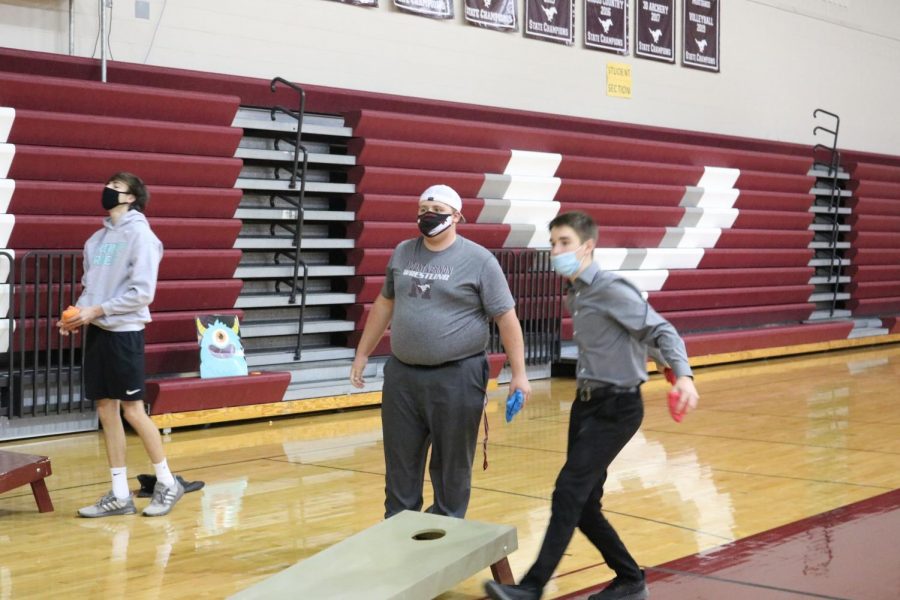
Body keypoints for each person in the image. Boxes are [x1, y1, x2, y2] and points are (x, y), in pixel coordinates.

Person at [485, 210, 699, 600]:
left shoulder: (610, 287)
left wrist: (681, 373)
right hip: (585, 406)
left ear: (587, 246)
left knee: (567, 490)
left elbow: (658, 329)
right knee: (583, 504)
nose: (556, 251)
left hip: (617, 408)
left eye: (564, 242)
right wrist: (663, 363)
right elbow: (633, 336)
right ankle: (630, 580)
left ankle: (531, 588)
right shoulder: (576, 292)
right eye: (552, 244)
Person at [350, 184, 532, 519]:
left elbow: (506, 318)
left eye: (436, 211)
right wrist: (363, 353)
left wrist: (519, 374)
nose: (427, 216)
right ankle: (399, 536)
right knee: (400, 465)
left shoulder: (480, 261)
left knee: (451, 468)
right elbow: (384, 303)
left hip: (457, 376)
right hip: (403, 375)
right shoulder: (403, 252)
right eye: (422, 210)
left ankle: (445, 533)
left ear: (457, 216)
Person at [58, 172, 184, 518]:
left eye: (117, 188)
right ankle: (118, 494)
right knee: (105, 409)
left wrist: (97, 310)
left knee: (132, 409)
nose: (109, 191)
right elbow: (90, 287)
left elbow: (142, 292)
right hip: (97, 330)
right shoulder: (96, 240)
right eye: (109, 186)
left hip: (124, 331)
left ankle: (167, 482)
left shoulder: (142, 236)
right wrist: (74, 317)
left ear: (131, 198)